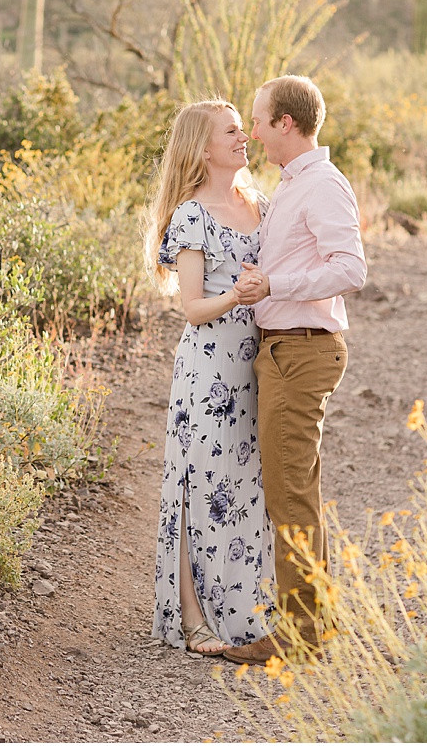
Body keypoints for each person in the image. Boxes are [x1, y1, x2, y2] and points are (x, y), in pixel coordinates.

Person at [228, 75, 366, 663]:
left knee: (289, 493)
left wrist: (275, 284)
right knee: (294, 488)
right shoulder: (291, 185)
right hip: (285, 347)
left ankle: (301, 634)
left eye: (259, 120)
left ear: (285, 122)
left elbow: (351, 269)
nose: (253, 131)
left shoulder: (322, 187)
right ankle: (315, 621)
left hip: (302, 350)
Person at [147, 99, 276, 659]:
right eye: (230, 131)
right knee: (198, 482)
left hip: (259, 365)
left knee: (249, 485)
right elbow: (193, 308)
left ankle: (250, 610)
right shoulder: (191, 216)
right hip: (208, 369)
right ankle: (195, 618)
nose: (243, 135)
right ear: (202, 147)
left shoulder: (261, 203)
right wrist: (239, 295)